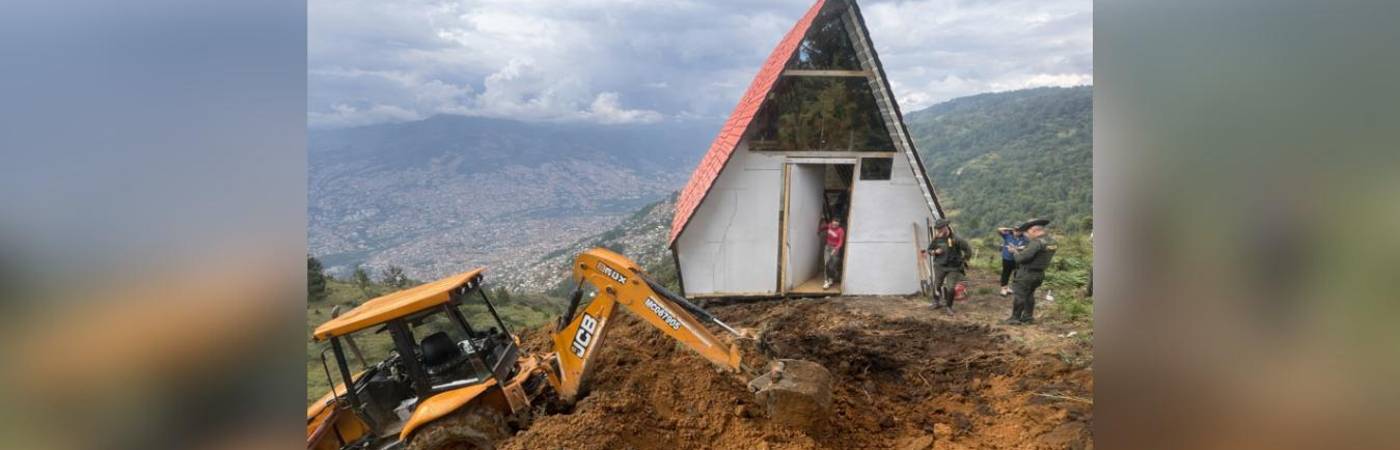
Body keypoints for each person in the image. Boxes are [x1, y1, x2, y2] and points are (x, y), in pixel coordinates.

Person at [1005, 218, 1057, 325]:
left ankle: (1015, 318)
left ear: (1034, 230)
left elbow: (1020, 259)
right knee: (1029, 295)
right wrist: (1024, 249)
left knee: (1020, 294)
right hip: (1039, 274)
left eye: (1028, 233)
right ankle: (1028, 317)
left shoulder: (1036, 242)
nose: (1027, 236)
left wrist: (1014, 252)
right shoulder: (1052, 241)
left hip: (1027, 274)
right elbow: (1039, 254)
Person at [925, 218, 972, 313]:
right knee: (937, 284)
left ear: (946, 227)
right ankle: (936, 302)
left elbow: (968, 250)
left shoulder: (956, 239)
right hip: (939, 266)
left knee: (951, 287)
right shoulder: (936, 238)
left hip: (953, 267)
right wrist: (935, 252)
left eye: (941, 228)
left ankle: (949, 306)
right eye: (938, 229)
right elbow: (929, 250)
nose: (939, 231)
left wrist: (963, 260)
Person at [996, 227, 1028, 296]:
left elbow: (1027, 246)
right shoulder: (1007, 235)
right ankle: (1004, 288)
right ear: (1013, 230)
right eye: (1016, 230)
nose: (1017, 232)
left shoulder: (1024, 238)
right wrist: (1009, 229)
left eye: (1019, 230)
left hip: (1017, 259)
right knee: (1006, 273)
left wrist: (1018, 248)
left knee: (1017, 274)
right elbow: (999, 229)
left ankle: (1012, 288)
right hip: (1007, 258)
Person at [818, 218, 845, 289]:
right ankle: (826, 282)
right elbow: (823, 227)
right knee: (826, 263)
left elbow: (840, 242)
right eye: (834, 223)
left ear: (839, 224)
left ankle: (831, 278)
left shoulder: (840, 231)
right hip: (827, 247)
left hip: (835, 249)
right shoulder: (829, 225)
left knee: (832, 266)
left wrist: (835, 249)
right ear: (832, 222)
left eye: (836, 224)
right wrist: (819, 230)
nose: (834, 225)